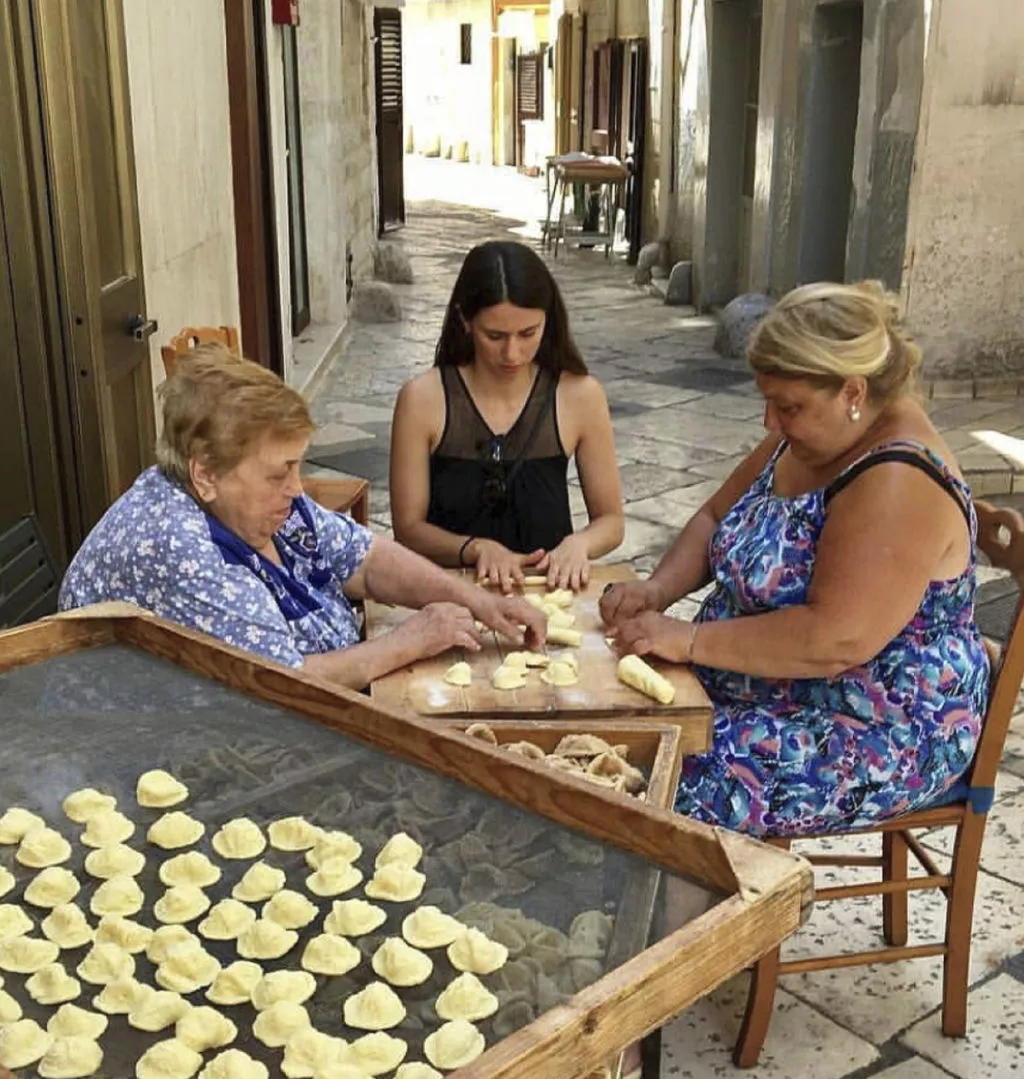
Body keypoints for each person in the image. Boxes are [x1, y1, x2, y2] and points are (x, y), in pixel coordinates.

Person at [600, 281, 990, 838]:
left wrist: (685, 641)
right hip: (760, 678)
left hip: (869, 722)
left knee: (655, 781)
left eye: (787, 407)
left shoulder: (898, 479)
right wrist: (658, 590)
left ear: (852, 391)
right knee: (607, 724)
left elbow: (832, 639)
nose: (770, 423)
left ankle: (700, 917)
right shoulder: (812, 437)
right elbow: (715, 516)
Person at [59, 347, 544, 687]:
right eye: (279, 473)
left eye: (297, 465)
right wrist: (409, 641)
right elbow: (280, 681)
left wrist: (476, 601)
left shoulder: (248, 499)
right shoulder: (180, 547)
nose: (296, 488)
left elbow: (366, 559)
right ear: (204, 474)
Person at [389, 240, 624, 592]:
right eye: (494, 335)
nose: (512, 353)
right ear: (464, 321)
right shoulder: (423, 399)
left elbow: (611, 521)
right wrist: (474, 549)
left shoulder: (580, 396)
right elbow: (409, 529)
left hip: (548, 592)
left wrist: (580, 544)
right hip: (450, 592)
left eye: (528, 333)